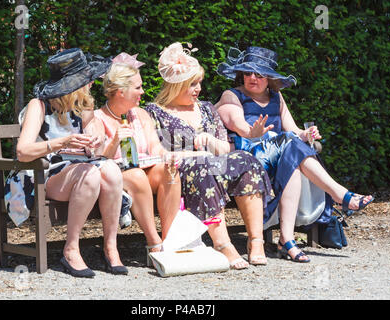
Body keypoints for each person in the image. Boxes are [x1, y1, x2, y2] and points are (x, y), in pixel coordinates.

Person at [215, 46, 374, 262]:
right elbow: (238, 124)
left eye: (259, 74)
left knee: (292, 157)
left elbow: (293, 130)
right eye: (248, 73)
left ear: (269, 77)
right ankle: (340, 194)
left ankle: (287, 240)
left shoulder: (276, 97)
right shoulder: (232, 95)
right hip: (249, 158)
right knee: (290, 147)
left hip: (279, 156)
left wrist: (307, 133)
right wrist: (253, 132)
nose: (252, 77)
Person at [145, 42, 274, 268]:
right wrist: (190, 153)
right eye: (192, 84)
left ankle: (256, 241)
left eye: (199, 83)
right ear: (175, 86)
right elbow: (157, 151)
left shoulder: (205, 108)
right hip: (180, 172)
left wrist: (212, 142)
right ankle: (223, 244)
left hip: (214, 165)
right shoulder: (156, 112)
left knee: (247, 160)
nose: (198, 89)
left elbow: (225, 148)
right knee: (202, 166)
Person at [16, 48, 128, 277]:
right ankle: (71, 249)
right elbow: (23, 152)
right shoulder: (39, 105)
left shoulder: (84, 106)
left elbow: (101, 152)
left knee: (112, 171)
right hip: (46, 173)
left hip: (83, 170)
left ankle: (110, 247)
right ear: (70, 84)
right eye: (85, 80)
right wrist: (60, 142)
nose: (90, 84)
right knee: (90, 174)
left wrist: (100, 140)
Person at [92, 52, 182, 266]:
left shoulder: (140, 115)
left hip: (142, 171)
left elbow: (154, 147)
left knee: (167, 171)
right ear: (121, 91)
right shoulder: (98, 118)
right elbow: (96, 157)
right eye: (138, 87)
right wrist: (114, 141)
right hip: (114, 178)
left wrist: (166, 156)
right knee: (136, 175)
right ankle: (154, 243)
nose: (143, 91)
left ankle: (170, 241)